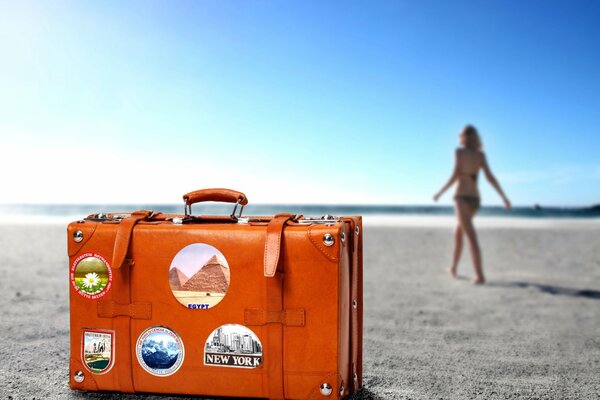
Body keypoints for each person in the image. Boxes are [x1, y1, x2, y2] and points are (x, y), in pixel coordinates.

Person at [433, 125, 511, 284]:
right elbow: (490, 177)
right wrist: (503, 196)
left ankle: (480, 275)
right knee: (458, 232)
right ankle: (453, 267)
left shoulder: (459, 152)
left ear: (464, 137)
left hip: (461, 197)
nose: (459, 137)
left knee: (470, 236)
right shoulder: (480, 155)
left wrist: (440, 192)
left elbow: (455, 175)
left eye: (460, 134)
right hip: (475, 200)